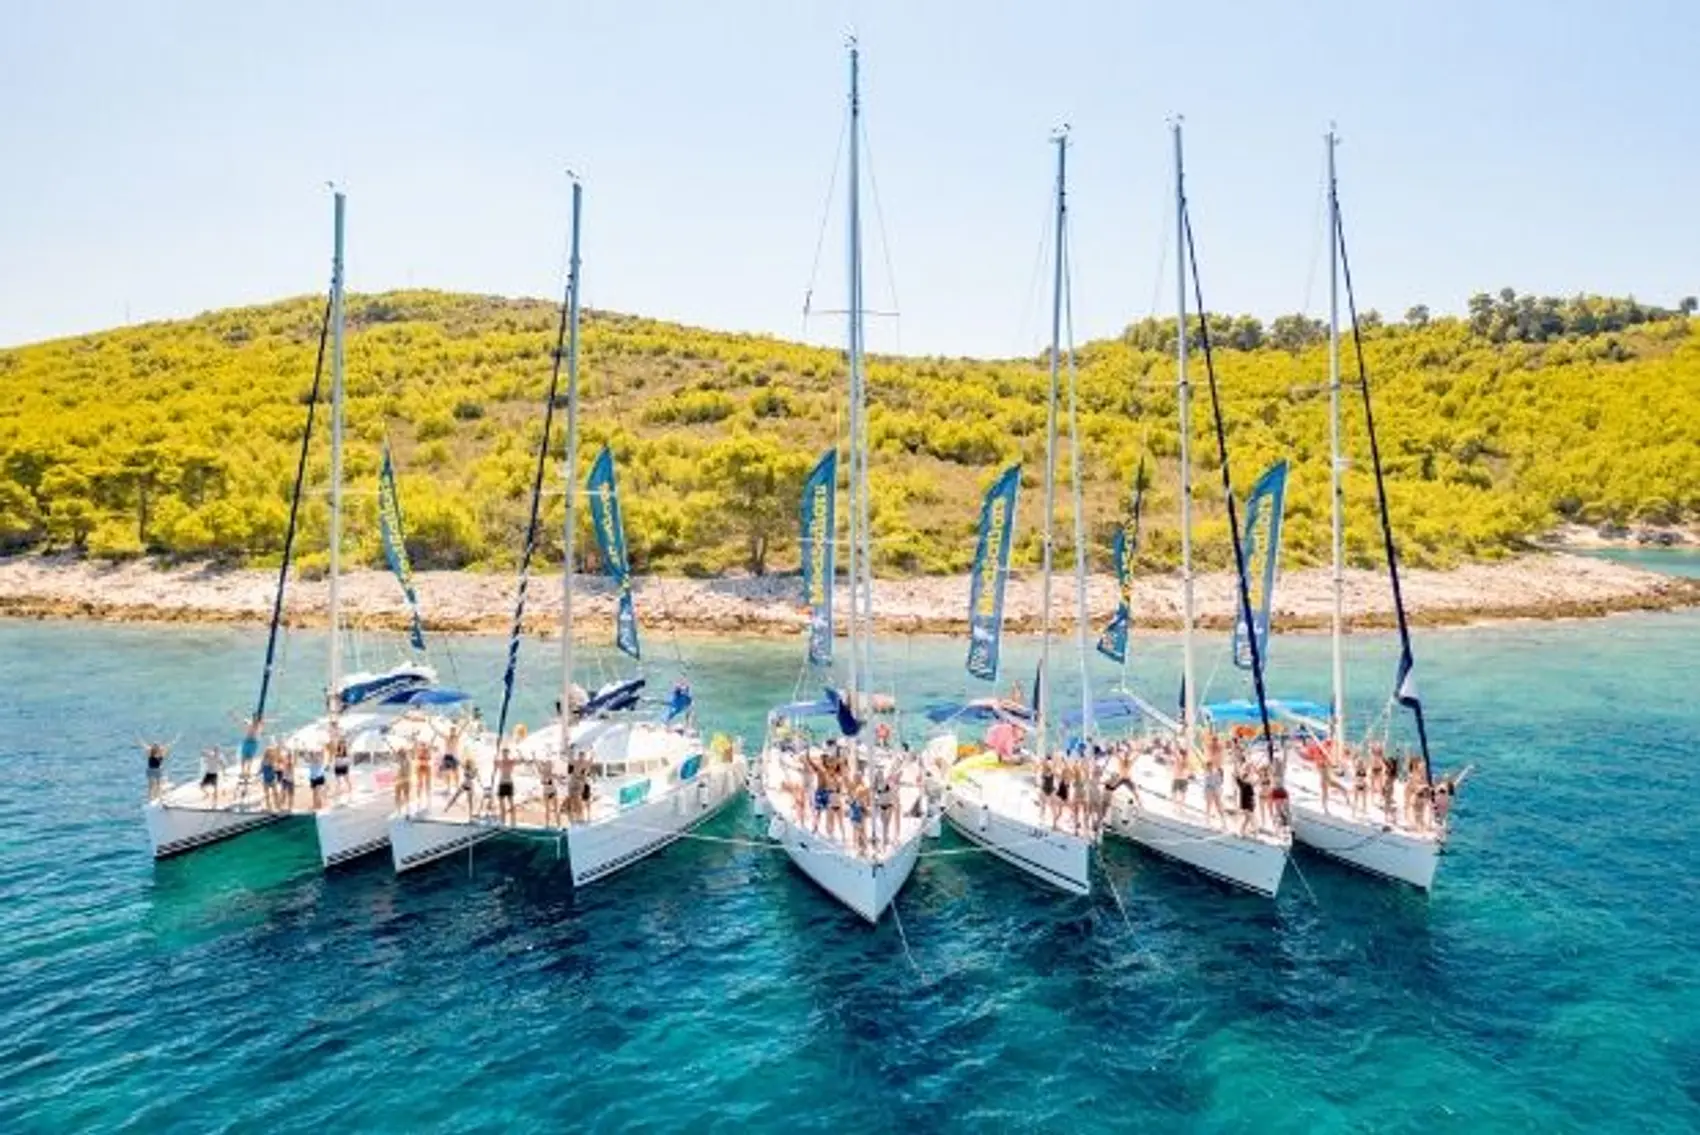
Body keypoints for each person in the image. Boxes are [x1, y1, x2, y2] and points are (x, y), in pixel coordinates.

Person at [873, 765, 897, 851]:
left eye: (881, 773)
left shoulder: (888, 783)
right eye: (879, 774)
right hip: (882, 805)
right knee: (884, 825)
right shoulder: (876, 786)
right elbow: (874, 796)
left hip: (889, 805)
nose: (881, 775)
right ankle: (884, 842)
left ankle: (885, 839)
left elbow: (892, 792)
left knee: (886, 824)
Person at [1234, 760, 1256, 836]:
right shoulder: (1242, 784)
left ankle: (1243, 831)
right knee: (1249, 818)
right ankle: (1253, 832)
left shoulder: (1250, 784)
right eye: (1246, 777)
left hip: (1250, 802)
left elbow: (1252, 794)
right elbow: (1237, 775)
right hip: (1245, 803)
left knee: (1248, 818)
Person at [539, 758, 560, 827]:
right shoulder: (543, 773)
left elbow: (559, 779)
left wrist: (561, 779)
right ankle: (547, 825)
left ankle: (558, 825)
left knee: (556, 810)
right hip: (546, 793)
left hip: (553, 792)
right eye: (548, 765)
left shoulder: (552, 774)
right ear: (546, 766)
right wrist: (534, 756)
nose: (549, 766)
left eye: (550, 765)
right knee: (547, 810)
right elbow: (537, 766)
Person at [331, 734, 351, 801]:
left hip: (343, 765)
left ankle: (349, 790)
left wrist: (343, 748)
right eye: (340, 743)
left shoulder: (346, 750)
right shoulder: (337, 750)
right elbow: (337, 754)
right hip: (338, 766)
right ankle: (339, 791)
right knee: (338, 781)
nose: (342, 744)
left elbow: (345, 756)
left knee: (346, 779)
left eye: (343, 743)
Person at [393, 744, 412, 810]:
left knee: (404, 796)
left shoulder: (407, 761)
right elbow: (396, 770)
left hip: (404, 780)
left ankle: (404, 810)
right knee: (400, 796)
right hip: (402, 780)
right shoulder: (400, 761)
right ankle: (401, 810)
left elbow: (408, 772)